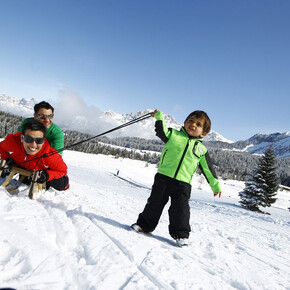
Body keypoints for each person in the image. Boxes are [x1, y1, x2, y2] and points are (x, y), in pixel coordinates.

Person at [131, 109, 222, 247]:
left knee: (180, 209)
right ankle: (144, 225)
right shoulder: (173, 135)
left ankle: (181, 234)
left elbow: (208, 169)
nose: (193, 125)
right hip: (163, 178)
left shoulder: (201, 150)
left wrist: (215, 185)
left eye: (198, 124)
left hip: (183, 184)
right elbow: (161, 131)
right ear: (185, 122)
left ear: (203, 133)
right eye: (191, 121)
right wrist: (159, 117)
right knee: (154, 203)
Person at [0, 119, 69, 191]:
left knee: (60, 184)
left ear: (44, 140)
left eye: (39, 140)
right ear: (22, 138)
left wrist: (47, 175)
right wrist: (7, 159)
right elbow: (1, 147)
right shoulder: (13, 142)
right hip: (26, 168)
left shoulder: (49, 155)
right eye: (28, 139)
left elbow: (62, 170)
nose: (33, 145)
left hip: (42, 172)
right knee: (6, 171)